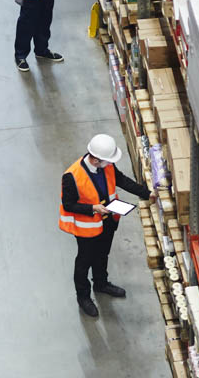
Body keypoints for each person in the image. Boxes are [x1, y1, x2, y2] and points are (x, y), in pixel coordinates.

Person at [59, 133, 149, 318]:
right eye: (107, 161)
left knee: (102, 254)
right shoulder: (72, 176)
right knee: (84, 262)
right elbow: (69, 204)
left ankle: (101, 283)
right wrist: (93, 208)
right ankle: (83, 297)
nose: (110, 164)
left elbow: (121, 180)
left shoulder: (107, 165)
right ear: (96, 159)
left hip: (108, 222)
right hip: (87, 228)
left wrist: (147, 193)